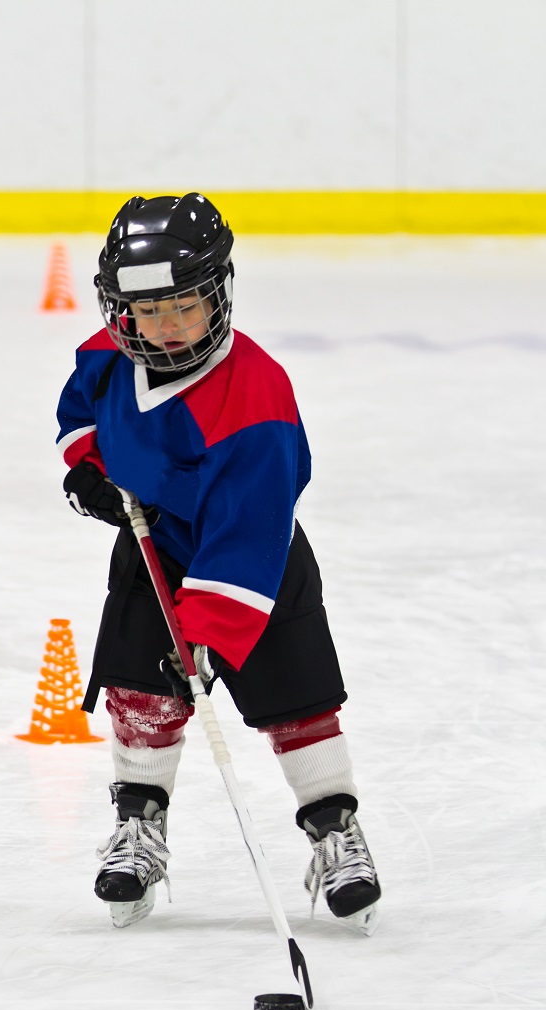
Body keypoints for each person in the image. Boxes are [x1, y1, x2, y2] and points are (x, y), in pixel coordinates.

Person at [56, 193, 381, 933]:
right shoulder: (113, 354)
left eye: (184, 307)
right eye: (147, 311)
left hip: (253, 564)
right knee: (140, 688)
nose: (164, 327)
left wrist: (204, 632)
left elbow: (247, 528)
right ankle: (139, 829)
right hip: (153, 545)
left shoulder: (254, 398)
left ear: (218, 296)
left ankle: (334, 830)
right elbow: (80, 409)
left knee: (298, 699)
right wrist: (89, 465)